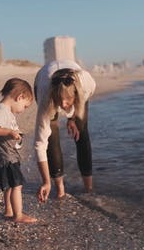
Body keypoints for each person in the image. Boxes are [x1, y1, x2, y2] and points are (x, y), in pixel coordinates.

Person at [33, 60, 96, 202]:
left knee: (82, 132)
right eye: (59, 100)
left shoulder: (87, 84)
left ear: (75, 95)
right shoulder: (46, 96)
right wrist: (46, 181)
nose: (62, 104)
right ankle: (60, 190)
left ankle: (89, 188)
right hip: (44, 82)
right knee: (52, 138)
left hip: (78, 89)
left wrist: (72, 118)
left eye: (67, 99)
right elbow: (39, 144)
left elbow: (80, 101)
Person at [0, 78, 38, 223]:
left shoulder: (2, 110)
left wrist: (14, 134)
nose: (23, 110)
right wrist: (9, 132)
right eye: (25, 106)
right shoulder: (2, 110)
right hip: (6, 157)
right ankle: (18, 215)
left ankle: (9, 210)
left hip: (4, 156)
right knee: (17, 185)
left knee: (8, 185)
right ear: (19, 97)